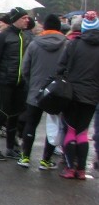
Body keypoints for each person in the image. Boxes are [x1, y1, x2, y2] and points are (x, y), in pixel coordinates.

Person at [17, 14, 67, 169]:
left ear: (44, 27)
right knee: (54, 126)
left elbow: (25, 68)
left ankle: (25, 157)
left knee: (31, 123)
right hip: (57, 92)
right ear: (59, 28)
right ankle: (46, 160)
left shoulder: (34, 44)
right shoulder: (67, 44)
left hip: (36, 90)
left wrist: (31, 82)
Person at [0, 6, 32, 161]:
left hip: (20, 82)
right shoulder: (4, 36)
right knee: (2, 114)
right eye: (24, 18)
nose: (27, 20)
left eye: (27, 18)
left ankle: (10, 148)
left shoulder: (23, 36)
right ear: (16, 19)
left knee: (15, 114)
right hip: (5, 81)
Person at [56, 10, 99, 179]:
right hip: (92, 95)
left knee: (71, 130)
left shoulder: (74, 44)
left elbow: (61, 67)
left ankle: (70, 167)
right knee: (83, 132)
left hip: (72, 93)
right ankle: (81, 169)